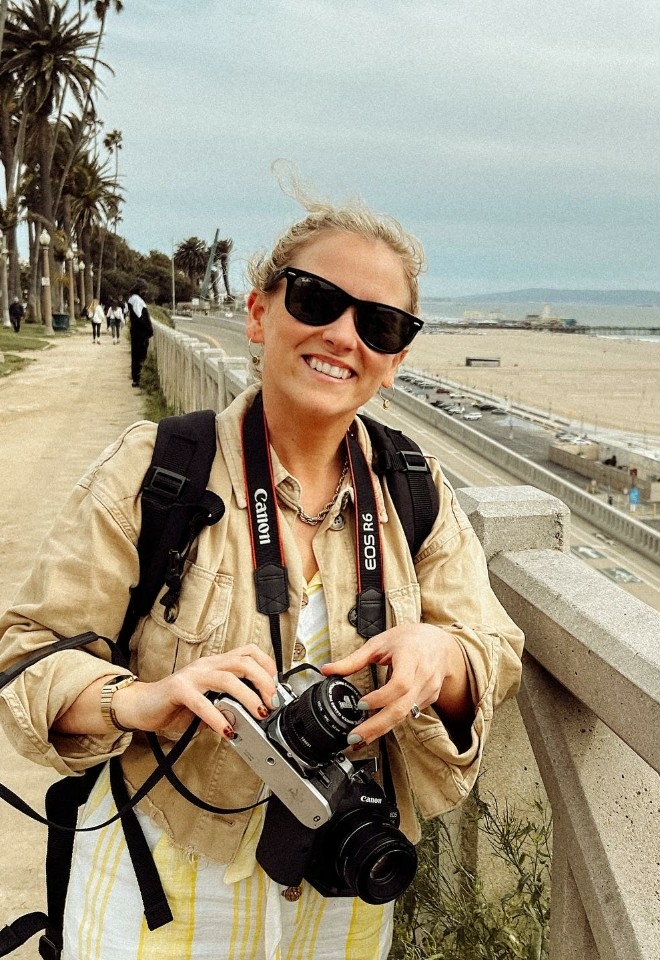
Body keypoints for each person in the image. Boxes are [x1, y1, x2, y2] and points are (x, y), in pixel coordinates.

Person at [0, 192, 524, 960]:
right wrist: (141, 700)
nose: (342, 335)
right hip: (157, 893)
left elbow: (493, 646)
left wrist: (440, 659)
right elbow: (28, 656)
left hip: (343, 900)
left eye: (379, 325)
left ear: (394, 363)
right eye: (316, 300)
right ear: (258, 314)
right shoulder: (159, 469)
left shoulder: (413, 489)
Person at [126, 279, 153, 385]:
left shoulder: (132, 298)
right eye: (144, 290)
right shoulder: (137, 300)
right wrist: (148, 329)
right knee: (140, 355)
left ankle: (136, 378)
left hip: (136, 332)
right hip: (140, 333)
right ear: (140, 290)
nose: (146, 292)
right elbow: (139, 317)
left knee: (135, 355)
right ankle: (138, 378)